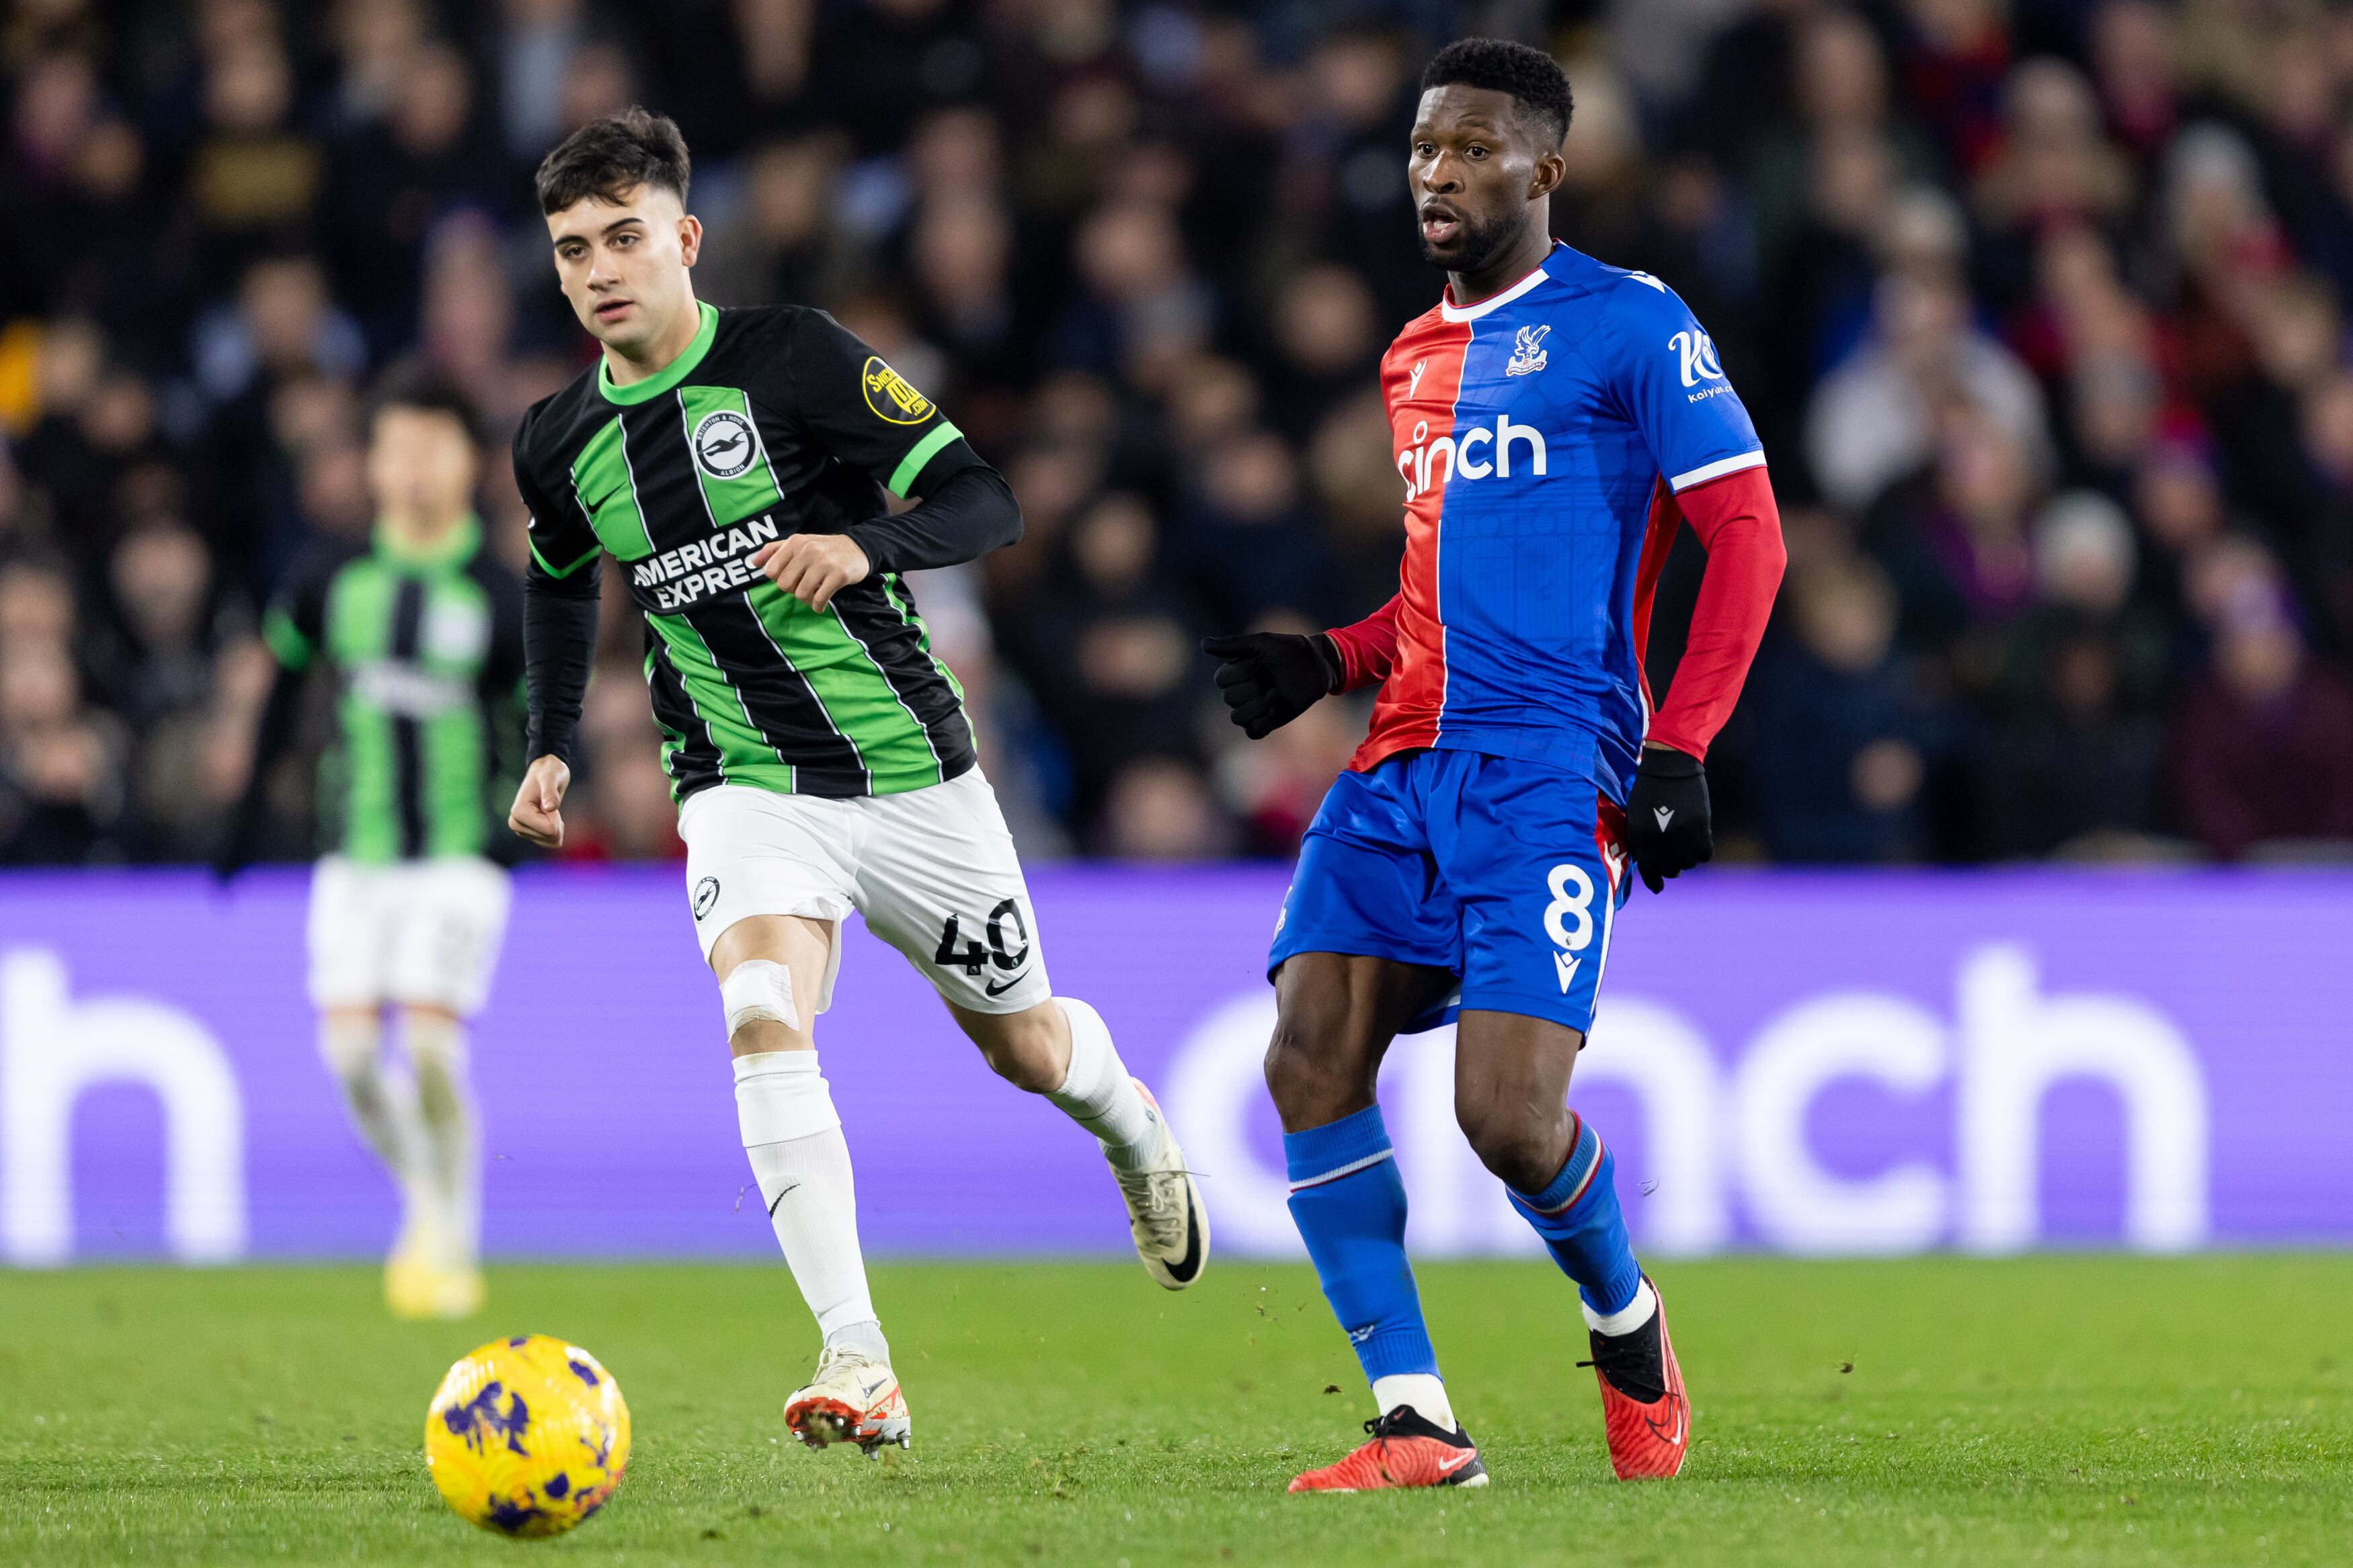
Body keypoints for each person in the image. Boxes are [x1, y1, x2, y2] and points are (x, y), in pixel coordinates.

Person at [506, 110, 1207, 1458]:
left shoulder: (795, 358)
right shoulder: (556, 440)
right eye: (572, 249)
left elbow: (984, 500)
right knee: (761, 1007)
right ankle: (857, 1358)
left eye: (623, 238)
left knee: (1025, 1049)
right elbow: (554, 588)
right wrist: (546, 737)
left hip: (908, 778)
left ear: (685, 239)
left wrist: (862, 546)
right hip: (738, 781)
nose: (599, 270)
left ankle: (1125, 1120)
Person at [1204, 39, 1786, 1490]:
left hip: (1547, 769)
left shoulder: (1631, 326)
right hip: (1401, 761)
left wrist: (1681, 749)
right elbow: (1435, 595)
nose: (1437, 175)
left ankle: (1627, 1322)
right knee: (1307, 1054)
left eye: (1469, 150)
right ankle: (1415, 1418)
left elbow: (1749, 538)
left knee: (1505, 1122)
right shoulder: (1409, 355)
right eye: (1420, 151)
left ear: (1547, 168)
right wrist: (1332, 660)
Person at [217, 364, 525, 1321]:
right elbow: (280, 692)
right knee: (352, 1058)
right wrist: (244, 820)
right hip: (352, 855)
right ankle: (424, 1201)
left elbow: (537, 719)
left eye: (433, 448)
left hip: (459, 855)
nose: (413, 469)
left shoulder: (499, 593)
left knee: (432, 1050)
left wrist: (525, 825)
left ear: (468, 462)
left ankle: (455, 1233)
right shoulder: (331, 577)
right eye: (395, 448)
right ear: (373, 463)